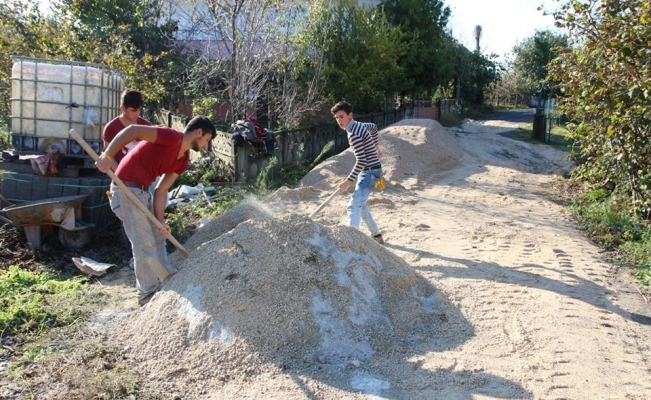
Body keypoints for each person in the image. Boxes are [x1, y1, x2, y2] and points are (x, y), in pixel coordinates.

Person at [96, 116, 216, 306]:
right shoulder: (170, 137)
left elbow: (161, 191)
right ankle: (151, 292)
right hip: (125, 189)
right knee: (145, 245)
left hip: (144, 193)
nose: (205, 145)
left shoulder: (182, 161)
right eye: (207, 140)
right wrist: (108, 155)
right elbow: (133, 130)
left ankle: (164, 283)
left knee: (158, 239)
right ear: (198, 132)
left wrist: (160, 222)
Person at [330, 101, 384, 244]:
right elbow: (373, 127)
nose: (339, 121)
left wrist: (348, 182)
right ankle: (376, 235)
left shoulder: (354, 133)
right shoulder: (359, 125)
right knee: (360, 204)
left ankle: (351, 243)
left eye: (341, 117)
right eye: (336, 118)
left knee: (353, 206)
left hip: (370, 171)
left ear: (350, 115)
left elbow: (361, 161)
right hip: (372, 169)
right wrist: (376, 147)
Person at [103, 89, 151, 164]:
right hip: (120, 173)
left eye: (139, 110)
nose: (137, 114)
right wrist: (118, 174)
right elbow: (108, 156)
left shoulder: (146, 126)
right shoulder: (111, 127)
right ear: (122, 108)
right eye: (134, 110)